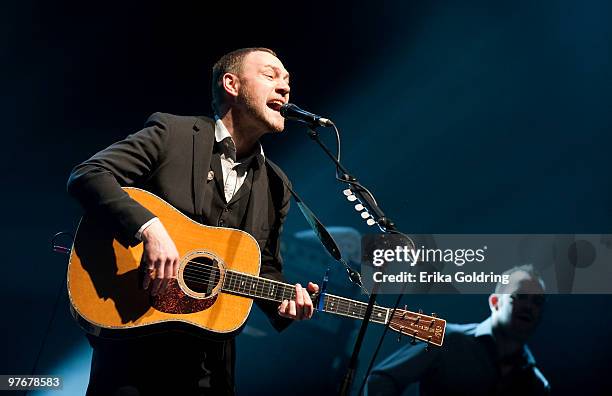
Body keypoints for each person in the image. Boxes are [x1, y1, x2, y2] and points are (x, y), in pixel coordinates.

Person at [67, 47, 319, 395]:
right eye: (270, 75)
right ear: (231, 84)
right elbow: (89, 174)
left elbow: (264, 268)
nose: (285, 88)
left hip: (209, 367)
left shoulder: (278, 185)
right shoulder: (173, 134)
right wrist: (149, 228)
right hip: (133, 347)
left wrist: (285, 303)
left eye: (287, 81)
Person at [365, 265, 550, 396]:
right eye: (520, 297)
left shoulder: (537, 384)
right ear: (495, 302)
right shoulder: (448, 339)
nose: (529, 306)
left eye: (537, 302)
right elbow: (382, 379)